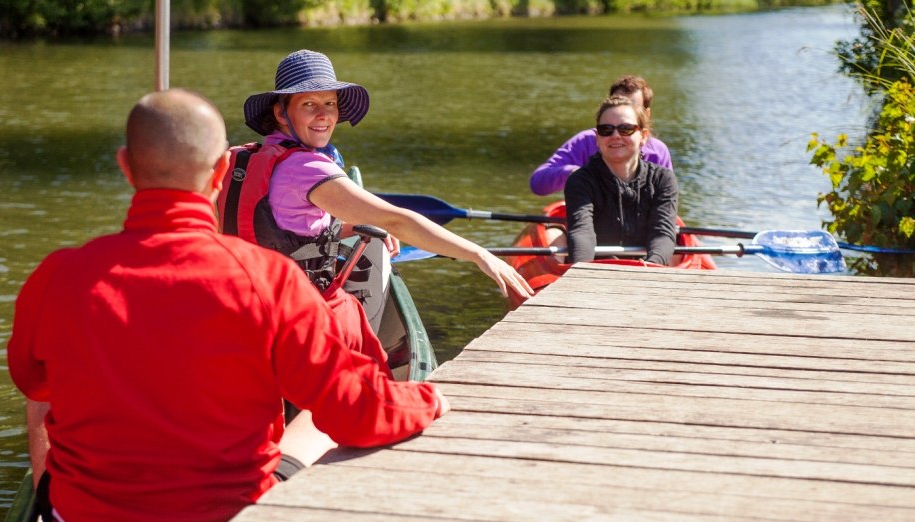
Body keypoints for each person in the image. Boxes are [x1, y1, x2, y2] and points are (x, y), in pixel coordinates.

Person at [7, 88, 449, 522]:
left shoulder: (58, 276)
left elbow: (30, 380)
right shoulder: (270, 280)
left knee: (43, 395)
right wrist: (426, 400)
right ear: (220, 172)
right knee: (319, 418)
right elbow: (356, 410)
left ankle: (43, 521)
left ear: (125, 166)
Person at [219, 49, 533, 355]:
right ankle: (360, 355)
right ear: (280, 112)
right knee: (376, 248)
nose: (324, 115)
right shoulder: (308, 168)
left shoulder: (244, 159)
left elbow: (277, 228)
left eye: (330, 103)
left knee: (373, 235)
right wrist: (479, 254)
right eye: (309, 104)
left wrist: (360, 225)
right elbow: (397, 219)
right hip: (294, 311)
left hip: (243, 298)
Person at [564, 95, 679, 265]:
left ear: (643, 136)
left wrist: (651, 268)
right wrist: (583, 272)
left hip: (647, 269)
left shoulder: (663, 179)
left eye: (625, 129)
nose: (615, 135)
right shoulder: (579, 180)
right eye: (606, 130)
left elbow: (662, 234)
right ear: (597, 138)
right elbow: (582, 233)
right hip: (597, 270)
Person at [529, 74, 673, 196]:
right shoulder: (585, 141)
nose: (616, 136)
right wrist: (575, 173)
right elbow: (538, 183)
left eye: (631, 107)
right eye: (616, 104)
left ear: (646, 115)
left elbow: (665, 201)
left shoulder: (658, 152)